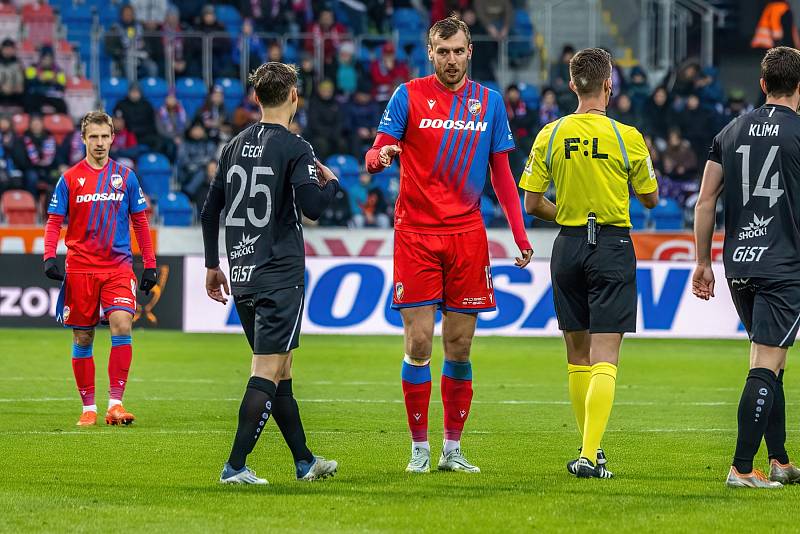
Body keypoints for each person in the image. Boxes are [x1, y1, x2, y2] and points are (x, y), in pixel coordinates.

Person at [365, 15, 533, 474]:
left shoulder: (490, 102)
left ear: (470, 50)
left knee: (459, 346)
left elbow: (502, 174)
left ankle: (451, 449)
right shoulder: (408, 95)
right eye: (443, 52)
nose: (452, 59)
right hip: (416, 233)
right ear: (431, 54)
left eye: (459, 51)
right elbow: (375, 153)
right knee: (419, 341)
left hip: (467, 236)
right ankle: (419, 449)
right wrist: (382, 156)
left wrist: (519, 234)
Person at [520, 47, 658, 479]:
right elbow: (651, 198)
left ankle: (589, 450)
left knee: (577, 356)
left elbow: (531, 202)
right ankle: (588, 453)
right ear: (608, 84)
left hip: (567, 246)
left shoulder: (551, 133)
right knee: (605, 356)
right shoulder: (627, 136)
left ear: (571, 84)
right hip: (612, 246)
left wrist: (566, 212)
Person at [200, 62, 339, 485]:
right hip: (280, 273)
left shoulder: (233, 145)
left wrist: (211, 265)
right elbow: (312, 209)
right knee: (266, 369)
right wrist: (331, 183)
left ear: (256, 98)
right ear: (294, 96)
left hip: (242, 272)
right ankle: (235, 466)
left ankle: (304, 461)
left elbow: (210, 211)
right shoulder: (297, 148)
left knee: (281, 370)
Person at [693, 46, 800, 489]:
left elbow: (704, 200)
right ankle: (740, 468)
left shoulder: (730, 130)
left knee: (771, 363)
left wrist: (702, 262)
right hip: (784, 265)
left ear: (762, 84)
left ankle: (779, 461)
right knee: (764, 363)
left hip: (739, 264)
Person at [41, 111, 158, 427]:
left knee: (122, 323)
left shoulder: (126, 177)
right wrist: (49, 257)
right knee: (83, 337)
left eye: (105, 136)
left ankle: (115, 405)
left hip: (118, 267)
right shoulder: (69, 178)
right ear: (83, 139)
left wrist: (150, 265)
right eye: (93, 136)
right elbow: (54, 222)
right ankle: (88, 408)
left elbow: (141, 222)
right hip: (80, 269)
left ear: (112, 138)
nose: (100, 142)